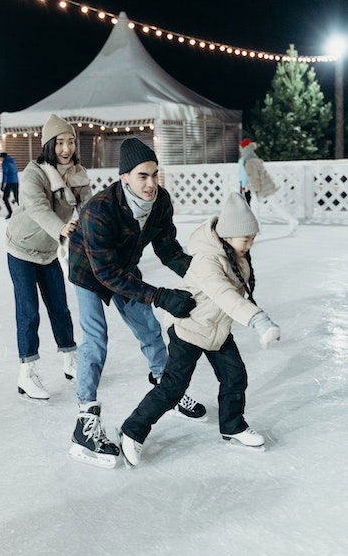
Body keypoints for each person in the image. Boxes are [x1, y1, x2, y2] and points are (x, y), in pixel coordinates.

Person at [68, 137, 206, 469]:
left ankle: (166, 388)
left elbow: (168, 249)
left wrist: (205, 273)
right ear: (124, 177)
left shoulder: (160, 202)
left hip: (124, 269)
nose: (151, 183)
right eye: (143, 176)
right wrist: (159, 295)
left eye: (155, 174)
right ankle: (85, 420)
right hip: (89, 271)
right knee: (95, 341)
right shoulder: (99, 210)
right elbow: (106, 273)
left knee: (149, 330)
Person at [119, 192, 281, 466]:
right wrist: (258, 320)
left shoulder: (237, 255)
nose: (250, 244)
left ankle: (233, 426)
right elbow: (225, 295)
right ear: (228, 236)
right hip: (189, 328)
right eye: (246, 239)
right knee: (173, 387)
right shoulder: (208, 259)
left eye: (253, 238)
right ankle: (132, 431)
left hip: (216, 330)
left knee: (235, 377)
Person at [6, 114, 92, 400]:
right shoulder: (34, 173)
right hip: (21, 248)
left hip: (48, 251)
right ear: (48, 145)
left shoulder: (78, 173)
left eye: (70, 142)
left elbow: (89, 209)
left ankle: (70, 361)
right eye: (60, 143)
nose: (66, 149)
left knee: (60, 307)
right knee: (29, 311)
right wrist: (62, 228)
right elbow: (37, 207)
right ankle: (27, 374)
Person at [239, 138, 298, 232]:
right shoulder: (254, 159)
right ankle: (257, 228)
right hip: (266, 186)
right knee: (260, 206)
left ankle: (291, 221)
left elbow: (254, 178)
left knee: (263, 206)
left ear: (244, 149)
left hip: (261, 187)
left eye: (241, 148)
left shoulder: (249, 162)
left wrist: (255, 191)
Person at [0, 152, 19, 219]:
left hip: (9, 181)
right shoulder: (13, 161)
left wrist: (2, 184)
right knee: (17, 197)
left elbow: (4, 173)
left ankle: (10, 213)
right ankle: (24, 212)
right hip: (16, 181)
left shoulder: (5, 162)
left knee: (5, 198)